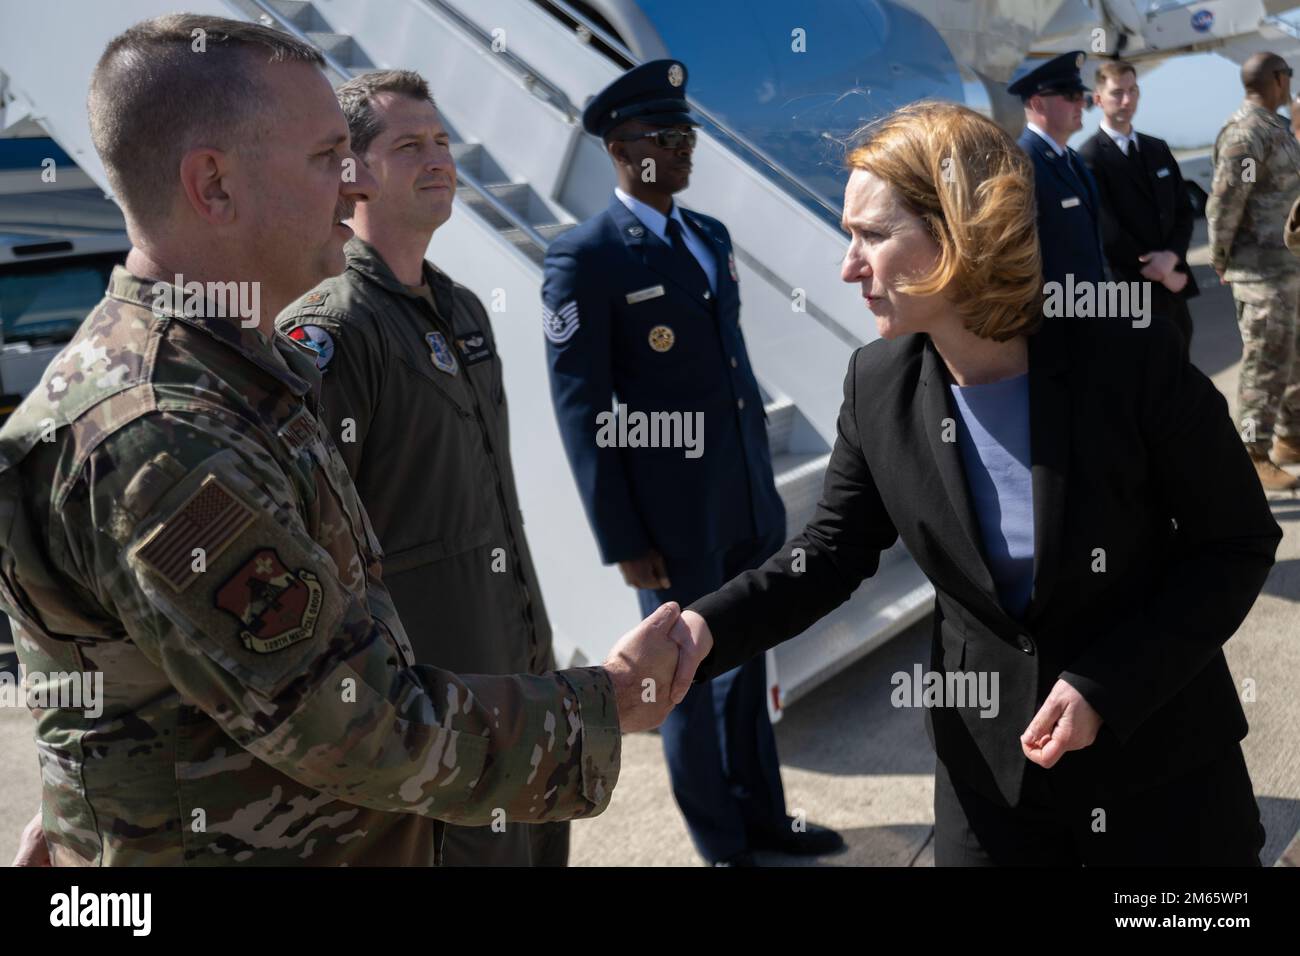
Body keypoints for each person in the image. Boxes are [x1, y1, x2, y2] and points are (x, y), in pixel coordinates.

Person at [0, 15, 680, 867]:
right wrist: (612, 701)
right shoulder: (164, 436)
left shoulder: (230, 375)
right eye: (329, 158)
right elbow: (363, 728)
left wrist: (83, 796)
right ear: (213, 184)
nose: (352, 187)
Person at [666, 100, 1280, 866]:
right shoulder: (877, 383)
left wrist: (1108, 684)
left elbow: (1236, 541)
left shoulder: (1126, 356)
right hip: (990, 784)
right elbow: (830, 552)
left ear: (962, 234)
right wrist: (700, 631)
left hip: (1160, 772)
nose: (849, 265)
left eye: (873, 236)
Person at [542, 59, 842, 866]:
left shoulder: (708, 237)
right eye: (667, 138)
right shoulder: (587, 256)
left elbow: (734, 372)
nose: (686, 149)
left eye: (688, 134)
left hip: (743, 500)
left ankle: (766, 819)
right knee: (687, 688)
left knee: (747, 664)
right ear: (620, 148)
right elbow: (584, 411)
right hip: (670, 523)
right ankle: (723, 847)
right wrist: (623, 534)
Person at [277, 70, 567, 867]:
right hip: (432, 720)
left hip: (520, 684)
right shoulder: (333, 327)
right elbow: (317, 542)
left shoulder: (463, 308)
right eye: (410, 145)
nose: (439, 158)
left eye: (442, 141)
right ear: (351, 171)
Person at [1207, 51, 1300, 491]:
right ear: (1278, 80)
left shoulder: (1277, 129)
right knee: (1263, 366)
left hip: (1286, 271)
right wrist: (1221, 258)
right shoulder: (1247, 134)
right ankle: (1253, 453)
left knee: (1290, 362)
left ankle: (1290, 441)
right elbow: (1226, 203)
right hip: (1260, 275)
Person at [1078, 60, 1197, 357]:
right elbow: (1108, 230)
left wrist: (1172, 257)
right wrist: (1158, 270)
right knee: (1147, 376)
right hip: (1132, 289)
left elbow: (1183, 211)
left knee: (1182, 370)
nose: (1127, 100)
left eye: (1132, 91)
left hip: (1173, 284)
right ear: (1098, 99)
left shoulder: (1157, 149)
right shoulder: (1090, 158)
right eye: (1117, 93)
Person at [1009, 51, 1106, 289]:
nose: (1082, 103)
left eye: (1080, 95)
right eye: (1071, 95)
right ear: (1037, 103)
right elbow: (1015, 258)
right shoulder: (1021, 164)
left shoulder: (1072, 159)